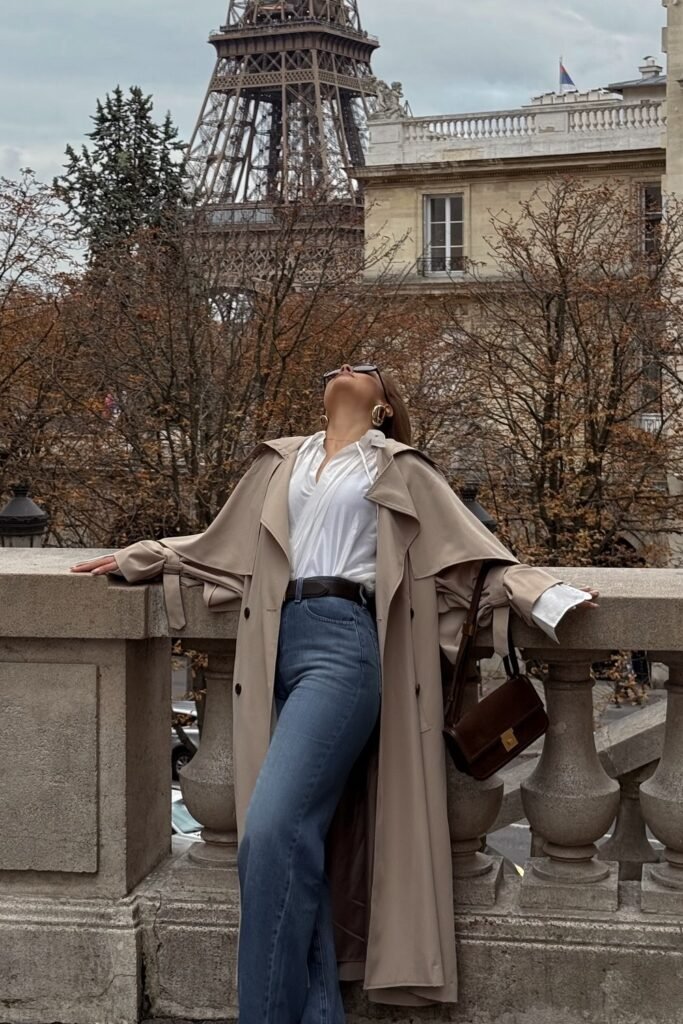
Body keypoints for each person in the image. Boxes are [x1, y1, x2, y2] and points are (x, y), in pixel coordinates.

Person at [71, 363, 598, 1022]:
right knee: (297, 840)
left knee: (267, 832)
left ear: (382, 406)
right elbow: (221, 544)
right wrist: (140, 556)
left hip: (344, 648)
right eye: (336, 367)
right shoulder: (281, 461)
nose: (346, 369)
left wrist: (544, 594)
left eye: (364, 369)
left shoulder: (398, 465)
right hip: (273, 646)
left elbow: (477, 558)